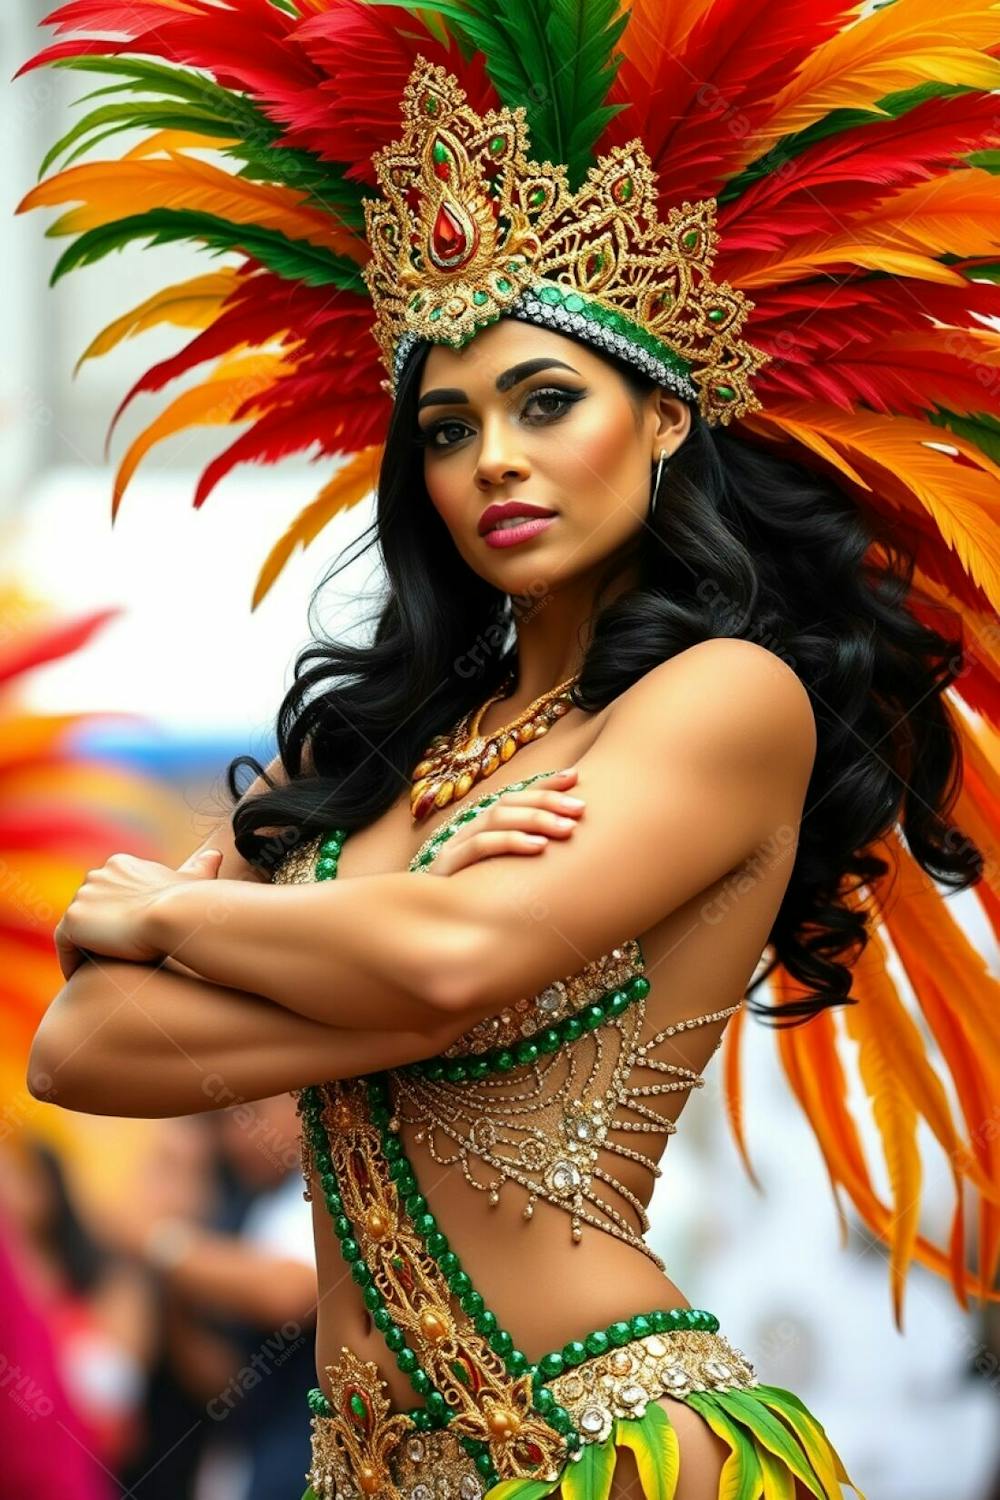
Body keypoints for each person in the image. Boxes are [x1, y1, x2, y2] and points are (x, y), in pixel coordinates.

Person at [17, 5, 1000, 1498]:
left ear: (665, 417)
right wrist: (400, 952)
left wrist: (172, 916)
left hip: (617, 1446)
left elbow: (455, 962)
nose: (497, 462)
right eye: (450, 425)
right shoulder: (378, 750)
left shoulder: (726, 698)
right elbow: (81, 1050)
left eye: (550, 403)